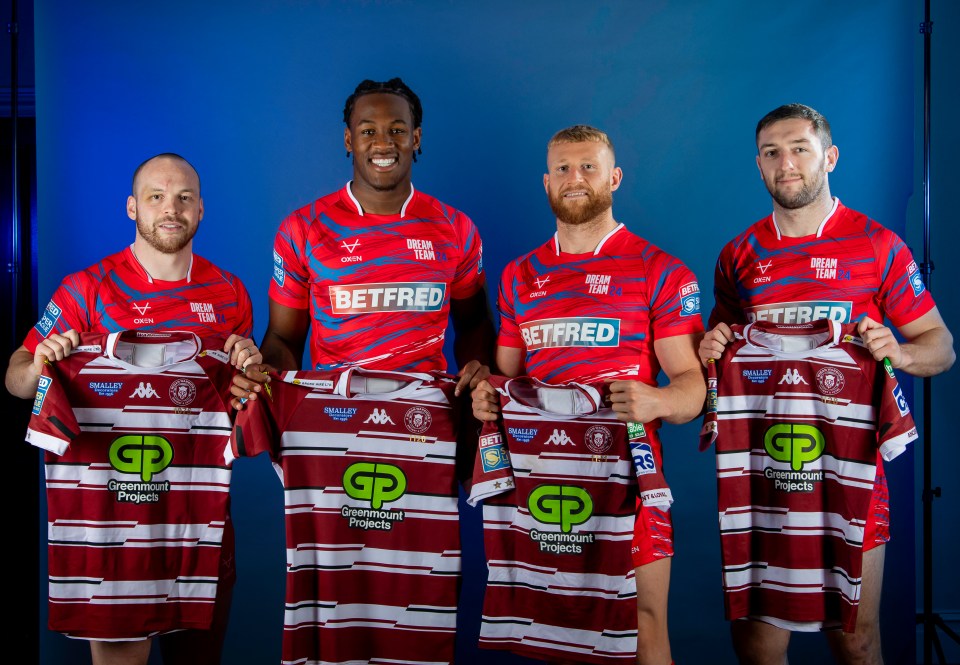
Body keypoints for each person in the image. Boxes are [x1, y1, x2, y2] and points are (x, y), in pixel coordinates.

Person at [698, 103, 955, 665]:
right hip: (764, 478)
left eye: (799, 148)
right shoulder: (738, 255)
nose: (785, 163)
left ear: (829, 157)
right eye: (771, 153)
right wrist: (707, 349)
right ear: (759, 166)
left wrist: (901, 352)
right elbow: (715, 351)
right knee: (759, 647)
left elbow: (942, 347)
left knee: (857, 643)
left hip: (850, 475)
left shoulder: (878, 245)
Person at [5, 153, 261, 665]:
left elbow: (242, 402)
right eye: (157, 197)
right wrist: (39, 368)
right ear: (132, 208)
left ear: (202, 210)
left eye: (185, 198)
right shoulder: (87, 287)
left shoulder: (230, 293)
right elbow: (14, 378)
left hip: (200, 521)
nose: (172, 209)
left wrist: (252, 378)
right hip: (114, 525)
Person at [471, 125, 707, 665]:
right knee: (547, 628)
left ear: (614, 177)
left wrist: (657, 401)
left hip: (627, 480)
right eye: (562, 169)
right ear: (546, 182)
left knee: (643, 625)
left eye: (588, 167)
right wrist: (487, 400)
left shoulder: (659, 271)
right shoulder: (519, 276)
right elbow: (504, 385)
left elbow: (693, 388)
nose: (574, 179)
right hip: (540, 478)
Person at [233, 76, 493, 392]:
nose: (383, 143)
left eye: (397, 130)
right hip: (334, 408)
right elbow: (283, 337)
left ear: (416, 138)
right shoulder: (303, 229)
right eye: (368, 131)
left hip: (426, 413)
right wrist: (268, 381)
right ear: (348, 140)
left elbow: (474, 325)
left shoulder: (456, 228)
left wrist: (477, 380)